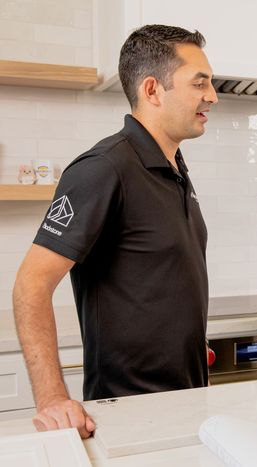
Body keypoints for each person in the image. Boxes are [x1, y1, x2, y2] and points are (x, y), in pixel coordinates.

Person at [12, 24, 218, 438]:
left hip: (188, 404)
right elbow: (30, 285)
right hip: (128, 413)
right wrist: (52, 398)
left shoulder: (174, 169)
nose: (212, 96)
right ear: (153, 90)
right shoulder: (104, 168)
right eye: (200, 83)